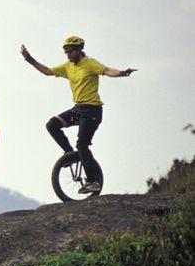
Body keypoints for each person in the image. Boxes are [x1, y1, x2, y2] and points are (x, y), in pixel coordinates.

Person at [20, 36, 137, 194]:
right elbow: (47, 71)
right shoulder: (68, 66)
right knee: (52, 125)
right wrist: (29, 59)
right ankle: (70, 155)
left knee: (82, 144)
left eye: (70, 51)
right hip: (78, 109)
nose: (67, 54)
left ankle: (93, 181)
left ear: (79, 50)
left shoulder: (90, 63)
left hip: (92, 110)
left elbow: (108, 71)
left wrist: (122, 73)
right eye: (65, 52)